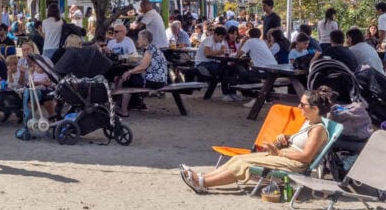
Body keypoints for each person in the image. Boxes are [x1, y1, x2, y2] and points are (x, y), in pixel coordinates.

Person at [179, 87, 335, 193]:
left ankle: (203, 184)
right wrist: (286, 138)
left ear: (315, 109)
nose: (299, 106)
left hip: (295, 164)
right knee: (239, 157)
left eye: (303, 104)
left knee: (245, 164)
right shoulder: (309, 121)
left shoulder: (318, 129)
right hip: (287, 154)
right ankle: (202, 178)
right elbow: (302, 141)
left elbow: (306, 157)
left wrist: (279, 154)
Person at [116, 29, 168, 116]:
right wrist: (131, 72)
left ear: (146, 40)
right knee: (131, 79)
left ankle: (123, 110)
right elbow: (144, 67)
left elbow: (143, 67)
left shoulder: (149, 50)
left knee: (127, 82)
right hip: (160, 80)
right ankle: (129, 104)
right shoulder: (153, 48)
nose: (137, 40)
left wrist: (130, 72)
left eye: (139, 39)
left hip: (155, 81)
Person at [195, 26, 237, 101]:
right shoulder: (209, 40)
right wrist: (221, 52)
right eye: (221, 37)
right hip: (202, 63)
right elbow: (207, 54)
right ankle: (225, 94)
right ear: (215, 35)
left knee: (231, 69)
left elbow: (224, 50)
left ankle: (232, 93)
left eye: (223, 37)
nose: (222, 39)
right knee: (223, 71)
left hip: (213, 62)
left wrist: (224, 51)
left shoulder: (221, 41)